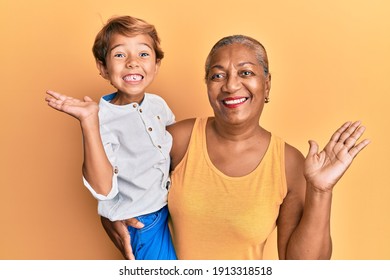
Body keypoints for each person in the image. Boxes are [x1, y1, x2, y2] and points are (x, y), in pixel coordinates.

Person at [101, 34, 370, 260]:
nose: (230, 85)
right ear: (207, 86)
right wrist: (112, 215)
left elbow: (301, 266)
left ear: (267, 85)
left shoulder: (288, 162)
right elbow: (120, 181)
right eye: (218, 75)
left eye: (246, 72)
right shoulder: (178, 140)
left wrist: (321, 191)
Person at [45, 15, 177, 260]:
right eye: (119, 55)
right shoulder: (101, 118)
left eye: (144, 54)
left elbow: (174, 149)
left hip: (171, 211)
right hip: (142, 221)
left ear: (156, 65)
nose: (132, 63)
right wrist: (89, 122)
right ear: (103, 67)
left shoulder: (159, 105)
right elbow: (104, 189)